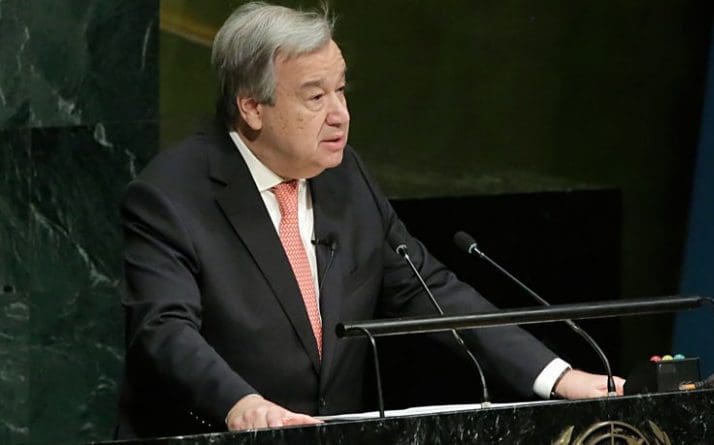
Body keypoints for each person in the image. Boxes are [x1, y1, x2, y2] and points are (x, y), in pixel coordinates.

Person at [115, 1, 624, 439]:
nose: (341, 114)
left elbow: (426, 289)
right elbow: (164, 330)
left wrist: (555, 376)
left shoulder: (344, 176)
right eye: (315, 97)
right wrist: (241, 406)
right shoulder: (172, 195)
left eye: (341, 90)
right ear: (252, 107)